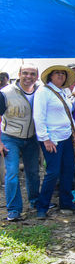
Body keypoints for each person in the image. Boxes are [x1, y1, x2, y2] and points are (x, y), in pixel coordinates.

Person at [33, 65, 75, 218]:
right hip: (52, 139)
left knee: (68, 170)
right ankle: (42, 207)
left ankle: (66, 202)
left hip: (67, 136)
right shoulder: (43, 92)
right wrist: (45, 138)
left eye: (63, 74)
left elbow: (68, 115)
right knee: (53, 172)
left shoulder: (64, 92)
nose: (61, 76)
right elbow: (39, 116)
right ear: (50, 76)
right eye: (57, 73)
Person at [0, 65, 40, 221]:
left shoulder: (39, 92)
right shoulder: (6, 93)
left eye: (32, 74)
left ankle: (35, 202)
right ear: (19, 74)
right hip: (10, 137)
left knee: (33, 173)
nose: (28, 76)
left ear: (37, 76)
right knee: (12, 173)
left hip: (32, 138)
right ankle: (14, 209)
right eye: (25, 73)